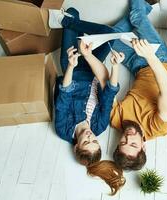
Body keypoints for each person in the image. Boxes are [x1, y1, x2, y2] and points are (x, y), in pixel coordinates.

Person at [51, 8, 125, 194]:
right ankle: (71, 26)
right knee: (111, 34)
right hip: (94, 69)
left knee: (72, 12)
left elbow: (64, 95)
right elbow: (108, 95)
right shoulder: (99, 127)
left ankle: (71, 24)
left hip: (73, 67)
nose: (91, 135)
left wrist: (71, 65)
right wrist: (115, 67)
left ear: (77, 145)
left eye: (86, 141)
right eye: (95, 141)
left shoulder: (63, 129)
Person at [110, 0, 167, 170]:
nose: (128, 137)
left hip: (134, 65)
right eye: (133, 144)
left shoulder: (117, 121)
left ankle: (144, 6)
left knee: (108, 36)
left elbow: (107, 89)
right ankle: (143, 7)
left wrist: (114, 66)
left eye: (123, 142)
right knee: (136, 17)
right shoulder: (157, 127)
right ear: (143, 147)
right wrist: (149, 56)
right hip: (159, 60)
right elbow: (166, 89)